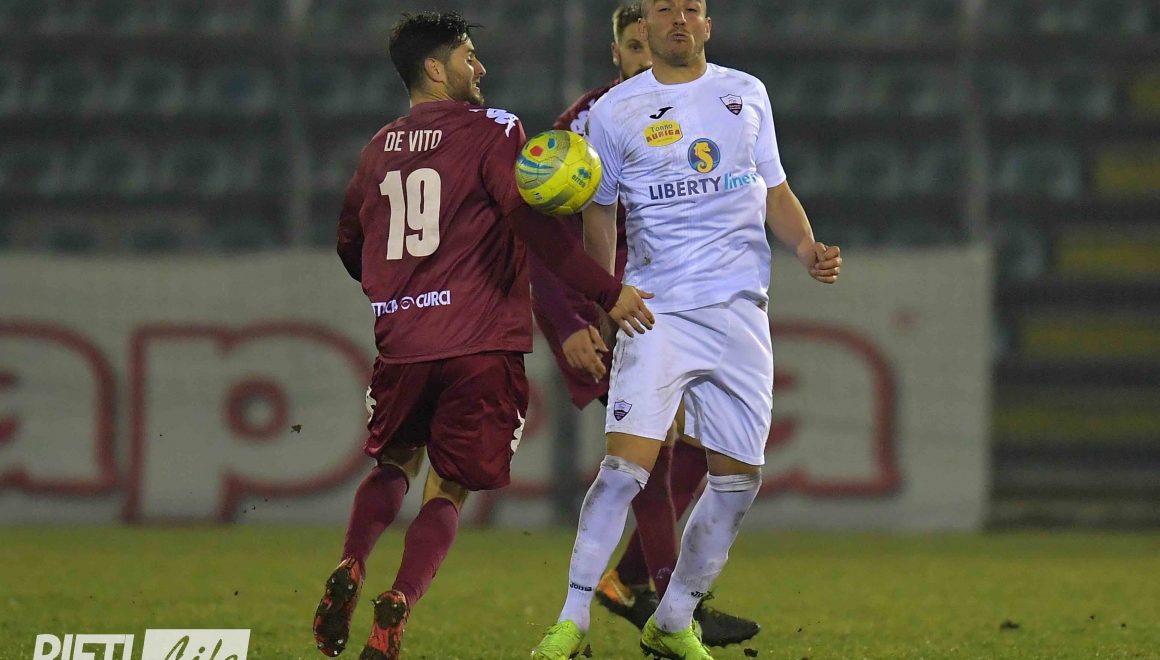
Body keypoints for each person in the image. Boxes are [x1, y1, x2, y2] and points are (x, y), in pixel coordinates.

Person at [310, 10, 653, 659]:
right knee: (448, 487)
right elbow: (532, 226)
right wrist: (606, 290)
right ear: (435, 68)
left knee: (394, 461)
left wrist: (398, 285)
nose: (481, 67)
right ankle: (398, 600)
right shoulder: (495, 129)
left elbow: (350, 242)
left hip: (403, 342)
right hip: (480, 345)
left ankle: (351, 561)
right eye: (469, 56)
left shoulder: (378, 146)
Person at [531, 1, 843, 658]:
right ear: (642, 29)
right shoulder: (612, 113)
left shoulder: (747, 93)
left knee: (737, 481)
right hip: (658, 310)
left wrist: (806, 248)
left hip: (741, 312)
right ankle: (571, 619)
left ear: (707, 24)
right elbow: (599, 218)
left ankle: (672, 620)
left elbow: (775, 191)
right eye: (664, 9)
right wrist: (603, 301)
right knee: (624, 469)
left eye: (691, 8)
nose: (679, 18)